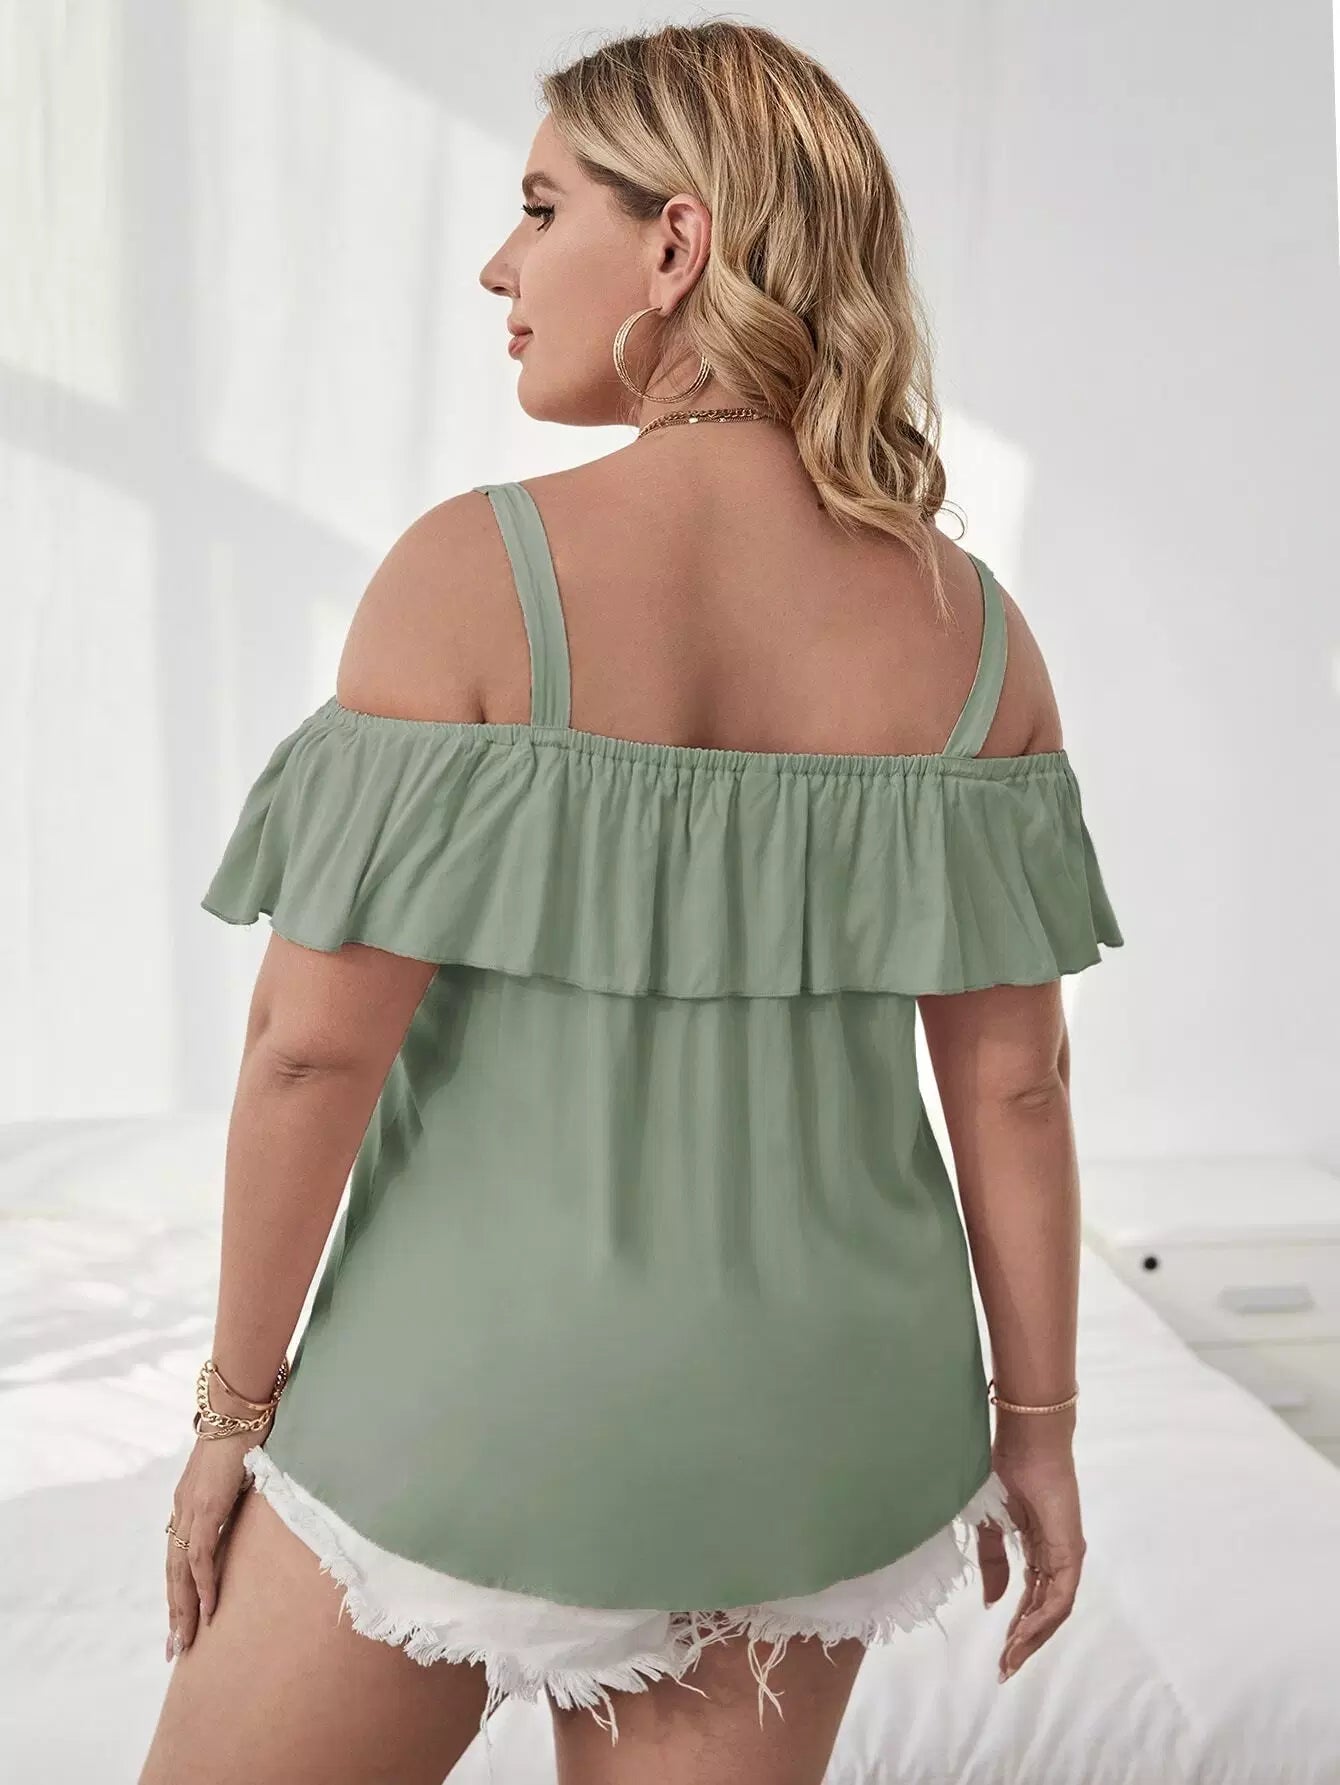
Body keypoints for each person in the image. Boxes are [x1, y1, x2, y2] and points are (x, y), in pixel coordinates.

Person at [138, 19, 1123, 1785]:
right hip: (824, 1430)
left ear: (677, 246)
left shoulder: (472, 576)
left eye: (540, 209)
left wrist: (234, 1409)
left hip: (477, 1406)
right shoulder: (971, 632)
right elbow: (1017, 1090)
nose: (498, 267)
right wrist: (1036, 1429)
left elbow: (306, 1055)